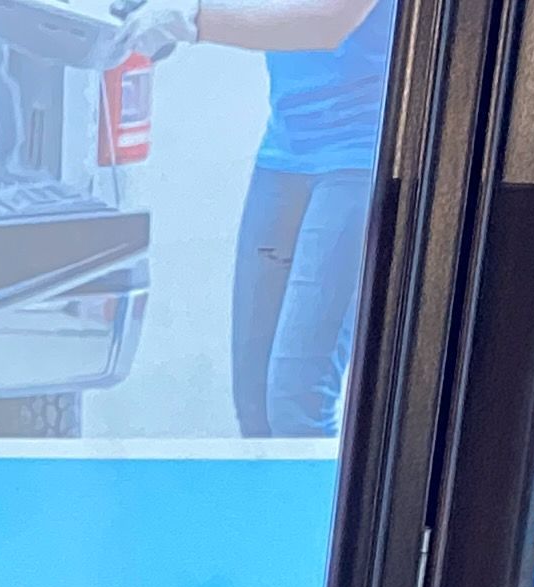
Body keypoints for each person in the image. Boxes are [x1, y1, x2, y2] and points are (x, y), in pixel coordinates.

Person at [119, 0, 394, 437]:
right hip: (284, 155)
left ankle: (308, 507)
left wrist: (191, 21)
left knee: (296, 400)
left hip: (360, 161)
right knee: (254, 403)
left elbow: (329, 22)